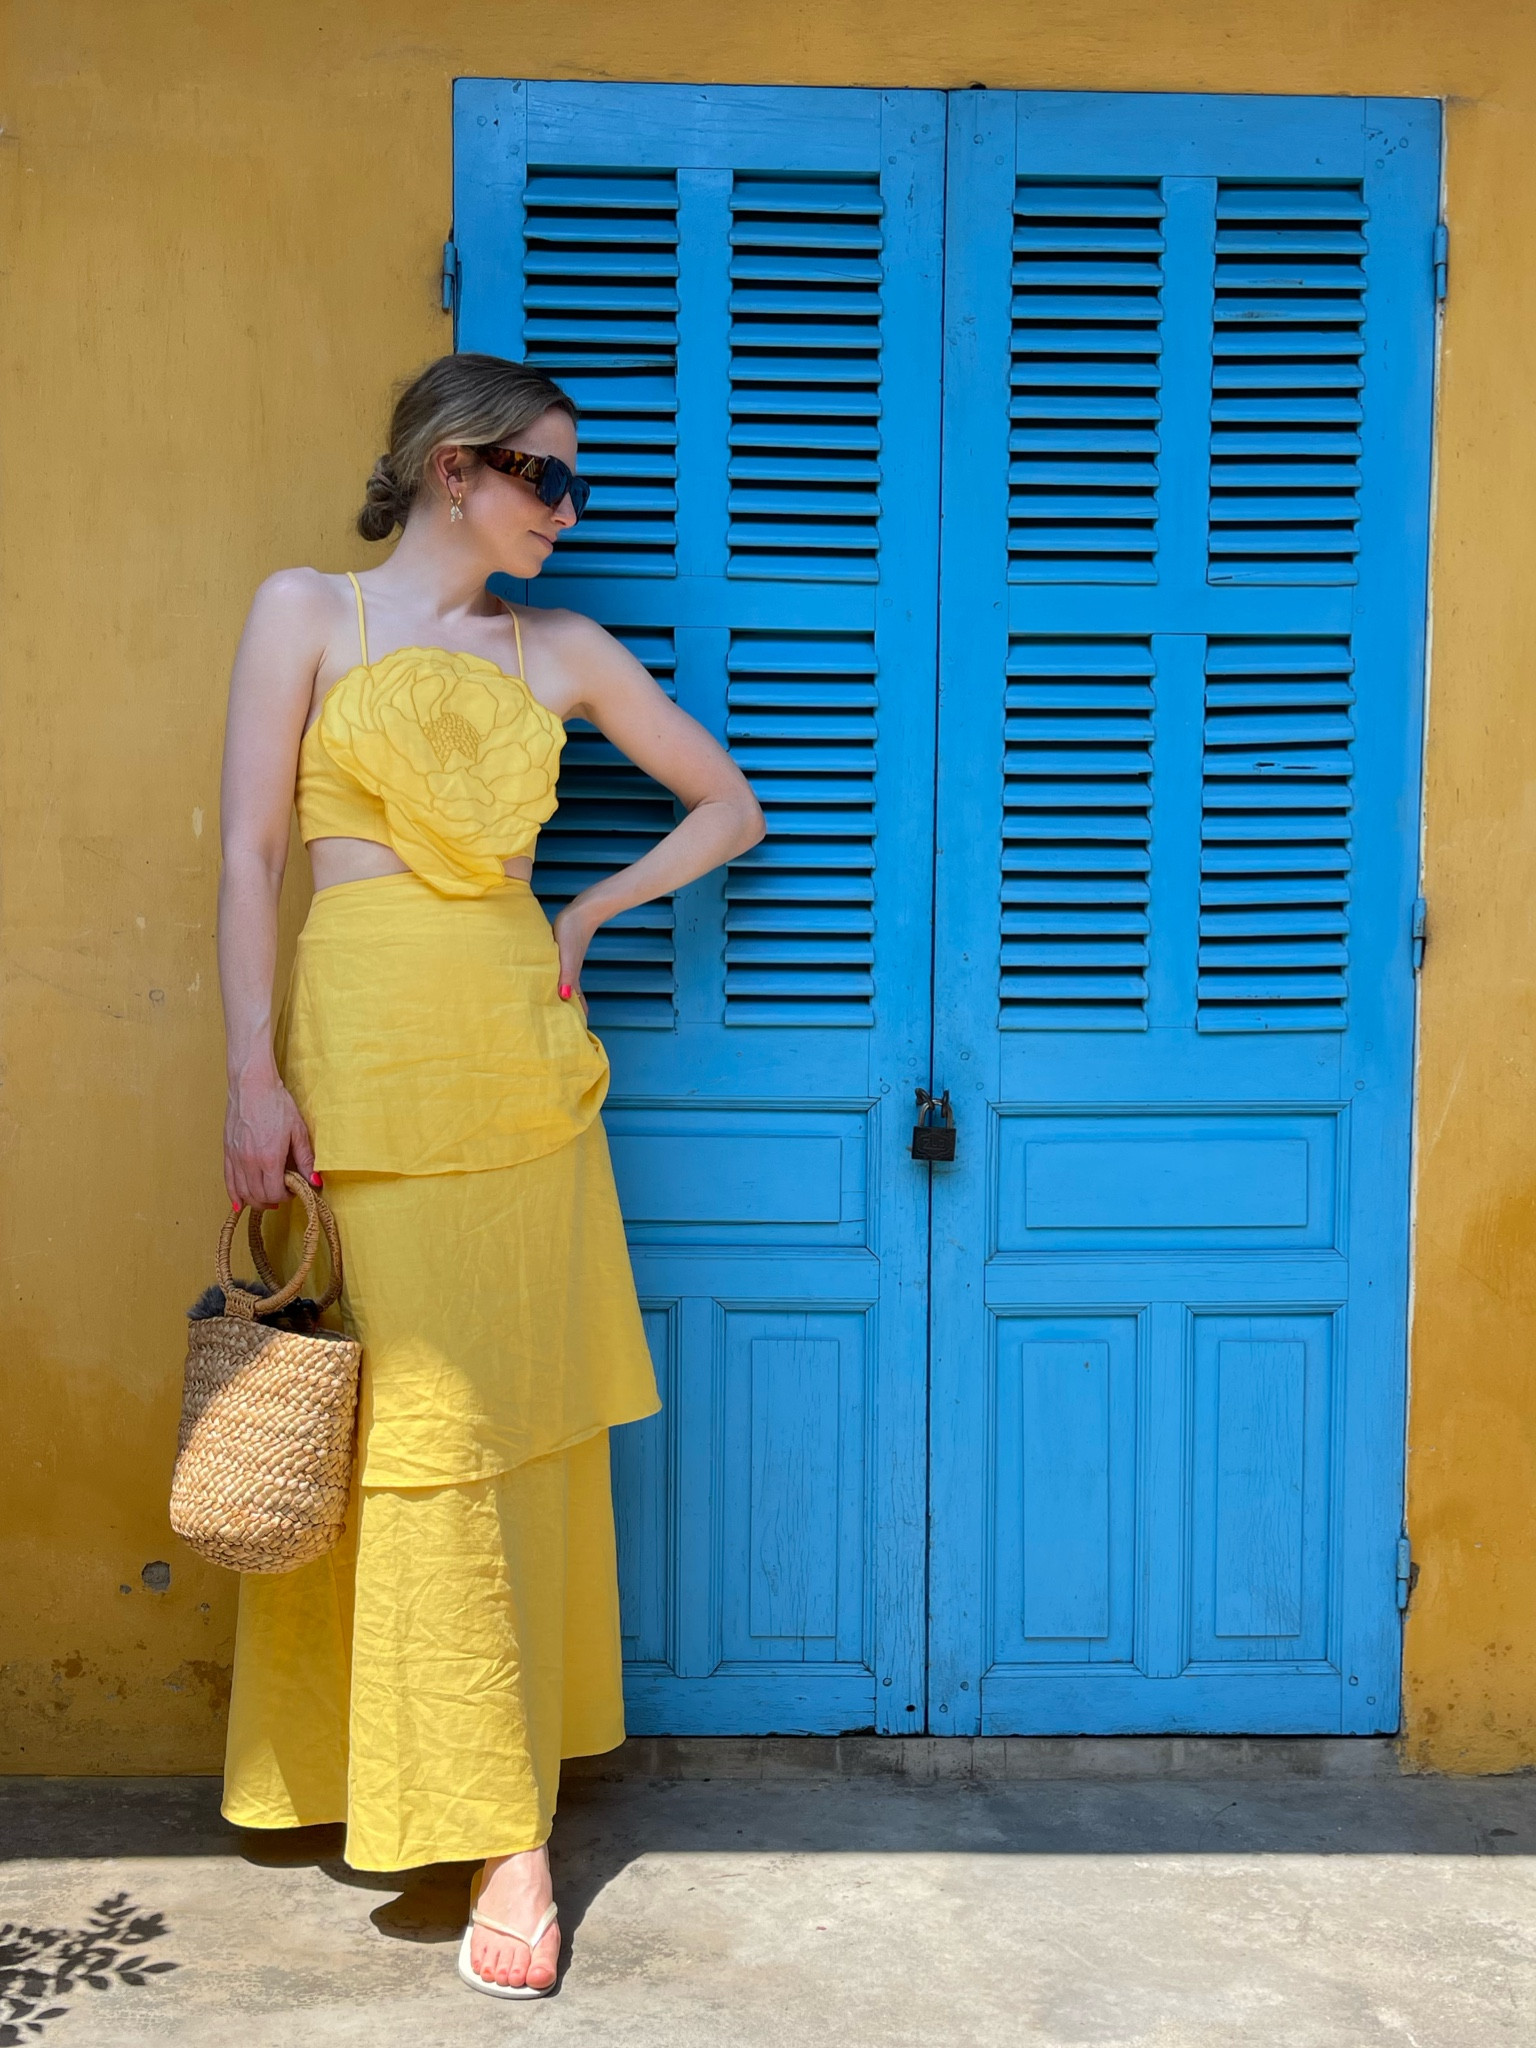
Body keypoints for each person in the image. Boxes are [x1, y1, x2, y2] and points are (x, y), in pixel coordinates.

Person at [213, 351, 764, 1997]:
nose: (567, 509)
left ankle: (505, 1822)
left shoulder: (564, 648)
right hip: (365, 1049)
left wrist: (584, 912)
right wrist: (252, 1067)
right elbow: (248, 852)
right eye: (547, 475)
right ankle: (375, 1774)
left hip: (516, 1072)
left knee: (503, 1426)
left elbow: (729, 806)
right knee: (403, 1422)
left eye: (572, 480)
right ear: (452, 467)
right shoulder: (306, 608)